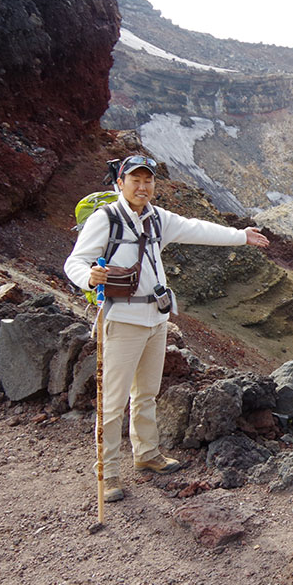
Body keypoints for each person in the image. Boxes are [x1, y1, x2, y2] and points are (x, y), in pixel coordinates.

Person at [65, 155, 269, 502]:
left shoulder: (158, 219)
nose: (142, 187)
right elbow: (74, 261)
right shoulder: (107, 219)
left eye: (148, 181)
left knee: (145, 393)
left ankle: (147, 454)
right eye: (135, 180)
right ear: (120, 183)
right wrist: (88, 276)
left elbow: (196, 228)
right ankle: (108, 472)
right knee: (112, 402)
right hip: (122, 320)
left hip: (156, 320)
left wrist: (240, 236)